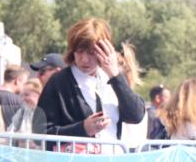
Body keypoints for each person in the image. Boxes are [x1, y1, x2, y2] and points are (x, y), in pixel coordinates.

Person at [37, 18, 146, 153]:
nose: (84, 59)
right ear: (72, 50)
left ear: (105, 51)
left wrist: (115, 75)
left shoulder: (113, 78)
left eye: (91, 52)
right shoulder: (59, 82)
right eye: (79, 51)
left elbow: (135, 115)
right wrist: (82, 129)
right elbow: (40, 132)